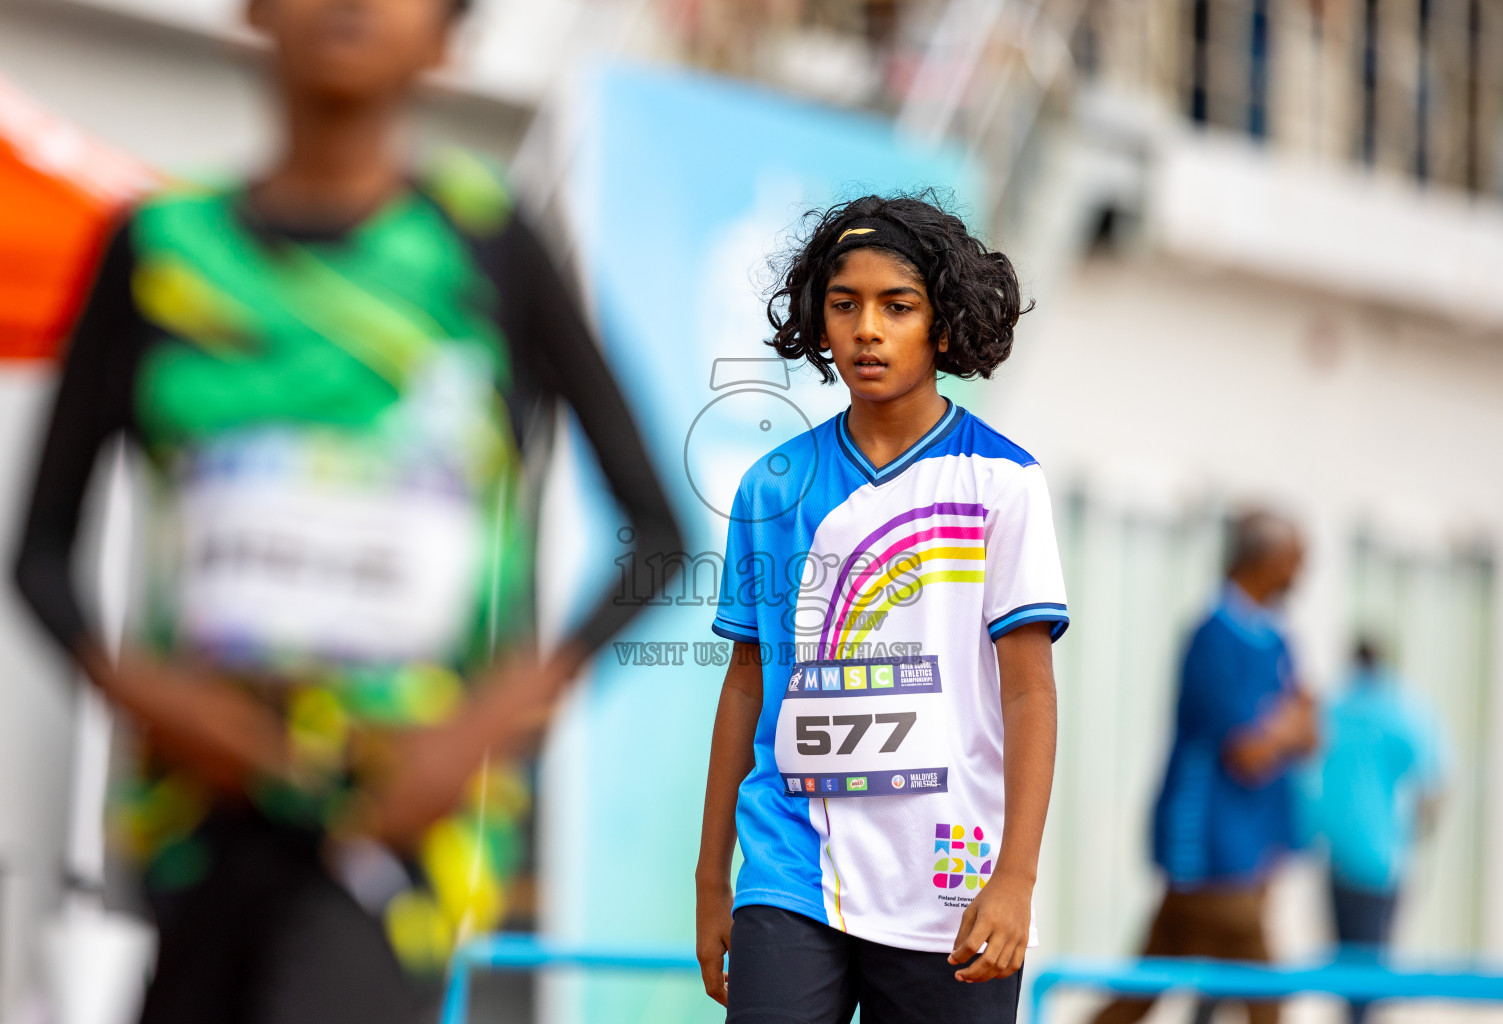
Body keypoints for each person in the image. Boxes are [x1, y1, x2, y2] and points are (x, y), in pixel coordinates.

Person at [12, 0, 681, 1019]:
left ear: (449, 34)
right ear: (255, 12)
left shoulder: (490, 246)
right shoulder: (160, 251)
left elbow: (657, 534)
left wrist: (483, 729)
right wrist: (154, 699)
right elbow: (40, 554)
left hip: (402, 824)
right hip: (196, 821)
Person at [695, 192, 1069, 1024]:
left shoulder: (1003, 483)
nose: (867, 328)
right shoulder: (774, 486)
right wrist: (711, 878)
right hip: (791, 869)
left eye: (896, 307)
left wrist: (1015, 877)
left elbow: (1029, 692)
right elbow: (745, 685)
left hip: (952, 881)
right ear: (818, 320)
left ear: (941, 324)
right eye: (844, 305)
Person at [1090, 511, 1319, 1024]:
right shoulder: (1213, 637)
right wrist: (1287, 725)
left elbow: (1308, 733)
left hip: (1254, 854)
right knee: (1265, 1002)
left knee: (1144, 992)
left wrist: (1283, 727)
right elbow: (1249, 754)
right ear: (1264, 561)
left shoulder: (1276, 639)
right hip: (1211, 853)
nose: (1299, 577)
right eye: (1293, 563)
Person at [1310, 638, 1446, 1024]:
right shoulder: (1399, 712)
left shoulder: (1331, 709)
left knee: (1347, 965)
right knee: (1370, 973)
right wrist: (1418, 828)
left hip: (1336, 855)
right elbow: (1436, 780)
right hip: (1381, 859)